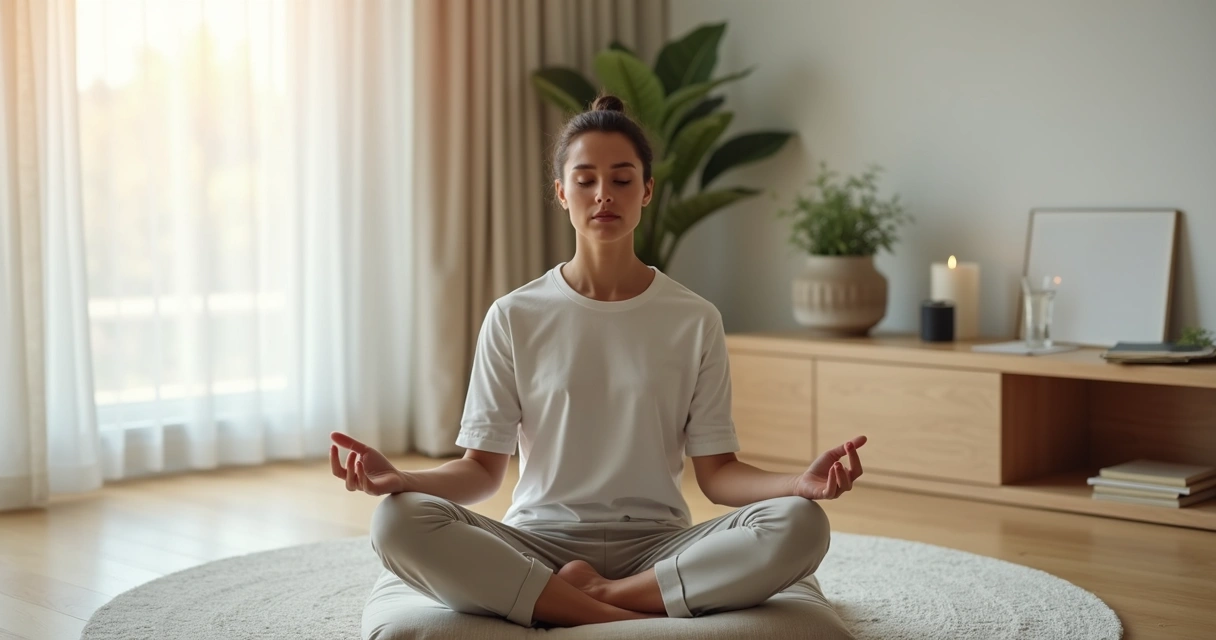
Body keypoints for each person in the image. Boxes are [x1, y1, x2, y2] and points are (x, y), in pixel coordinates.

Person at [330, 94, 867, 631]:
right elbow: (479, 472)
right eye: (584, 180)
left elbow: (719, 475)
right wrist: (402, 478)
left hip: (659, 547)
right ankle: (604, 610)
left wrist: (798, 484)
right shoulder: (514, 315)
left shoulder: (694, 318)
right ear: (561, 193)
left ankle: (590, 600)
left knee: (802, 524)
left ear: (647, 191)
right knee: (398, 520)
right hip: (538, 544)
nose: (603, 195)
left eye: (622, 179)